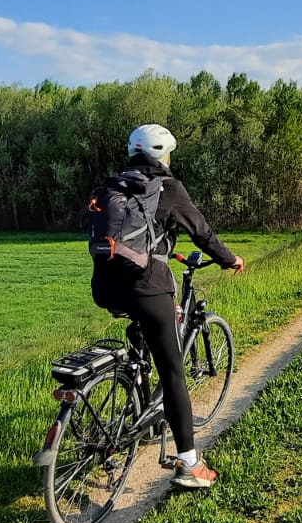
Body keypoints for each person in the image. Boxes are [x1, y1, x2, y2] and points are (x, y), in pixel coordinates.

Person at [90, 123, 244, 488]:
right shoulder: (168, 189)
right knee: (173, 372)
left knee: (143, 336)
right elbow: (202, 233)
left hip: (106, 287)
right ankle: (190, 463)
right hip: (148, 289)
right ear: (161, 154)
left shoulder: (111, 186)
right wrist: (229, 259)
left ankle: (138, 405)